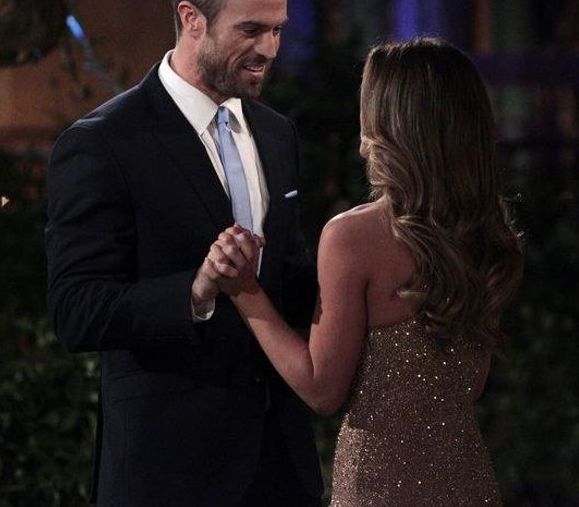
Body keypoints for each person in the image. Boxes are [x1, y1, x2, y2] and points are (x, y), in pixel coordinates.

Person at [45, 0, 323, 507]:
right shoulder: (103, 143)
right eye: (251, 30)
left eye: (277, 30)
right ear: (191, 18)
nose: (269, 49)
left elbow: (287, 277)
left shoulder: (276, 133)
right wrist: (195, 290)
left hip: (279, 464)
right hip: (165, 473)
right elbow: (76, 311)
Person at [205, 37, 524, 506]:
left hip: (379, 489)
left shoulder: (353, 237)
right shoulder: (484, 237)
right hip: (469, 486)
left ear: (388, 122)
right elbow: (470, 386)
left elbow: (321, 389)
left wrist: (244, 291)